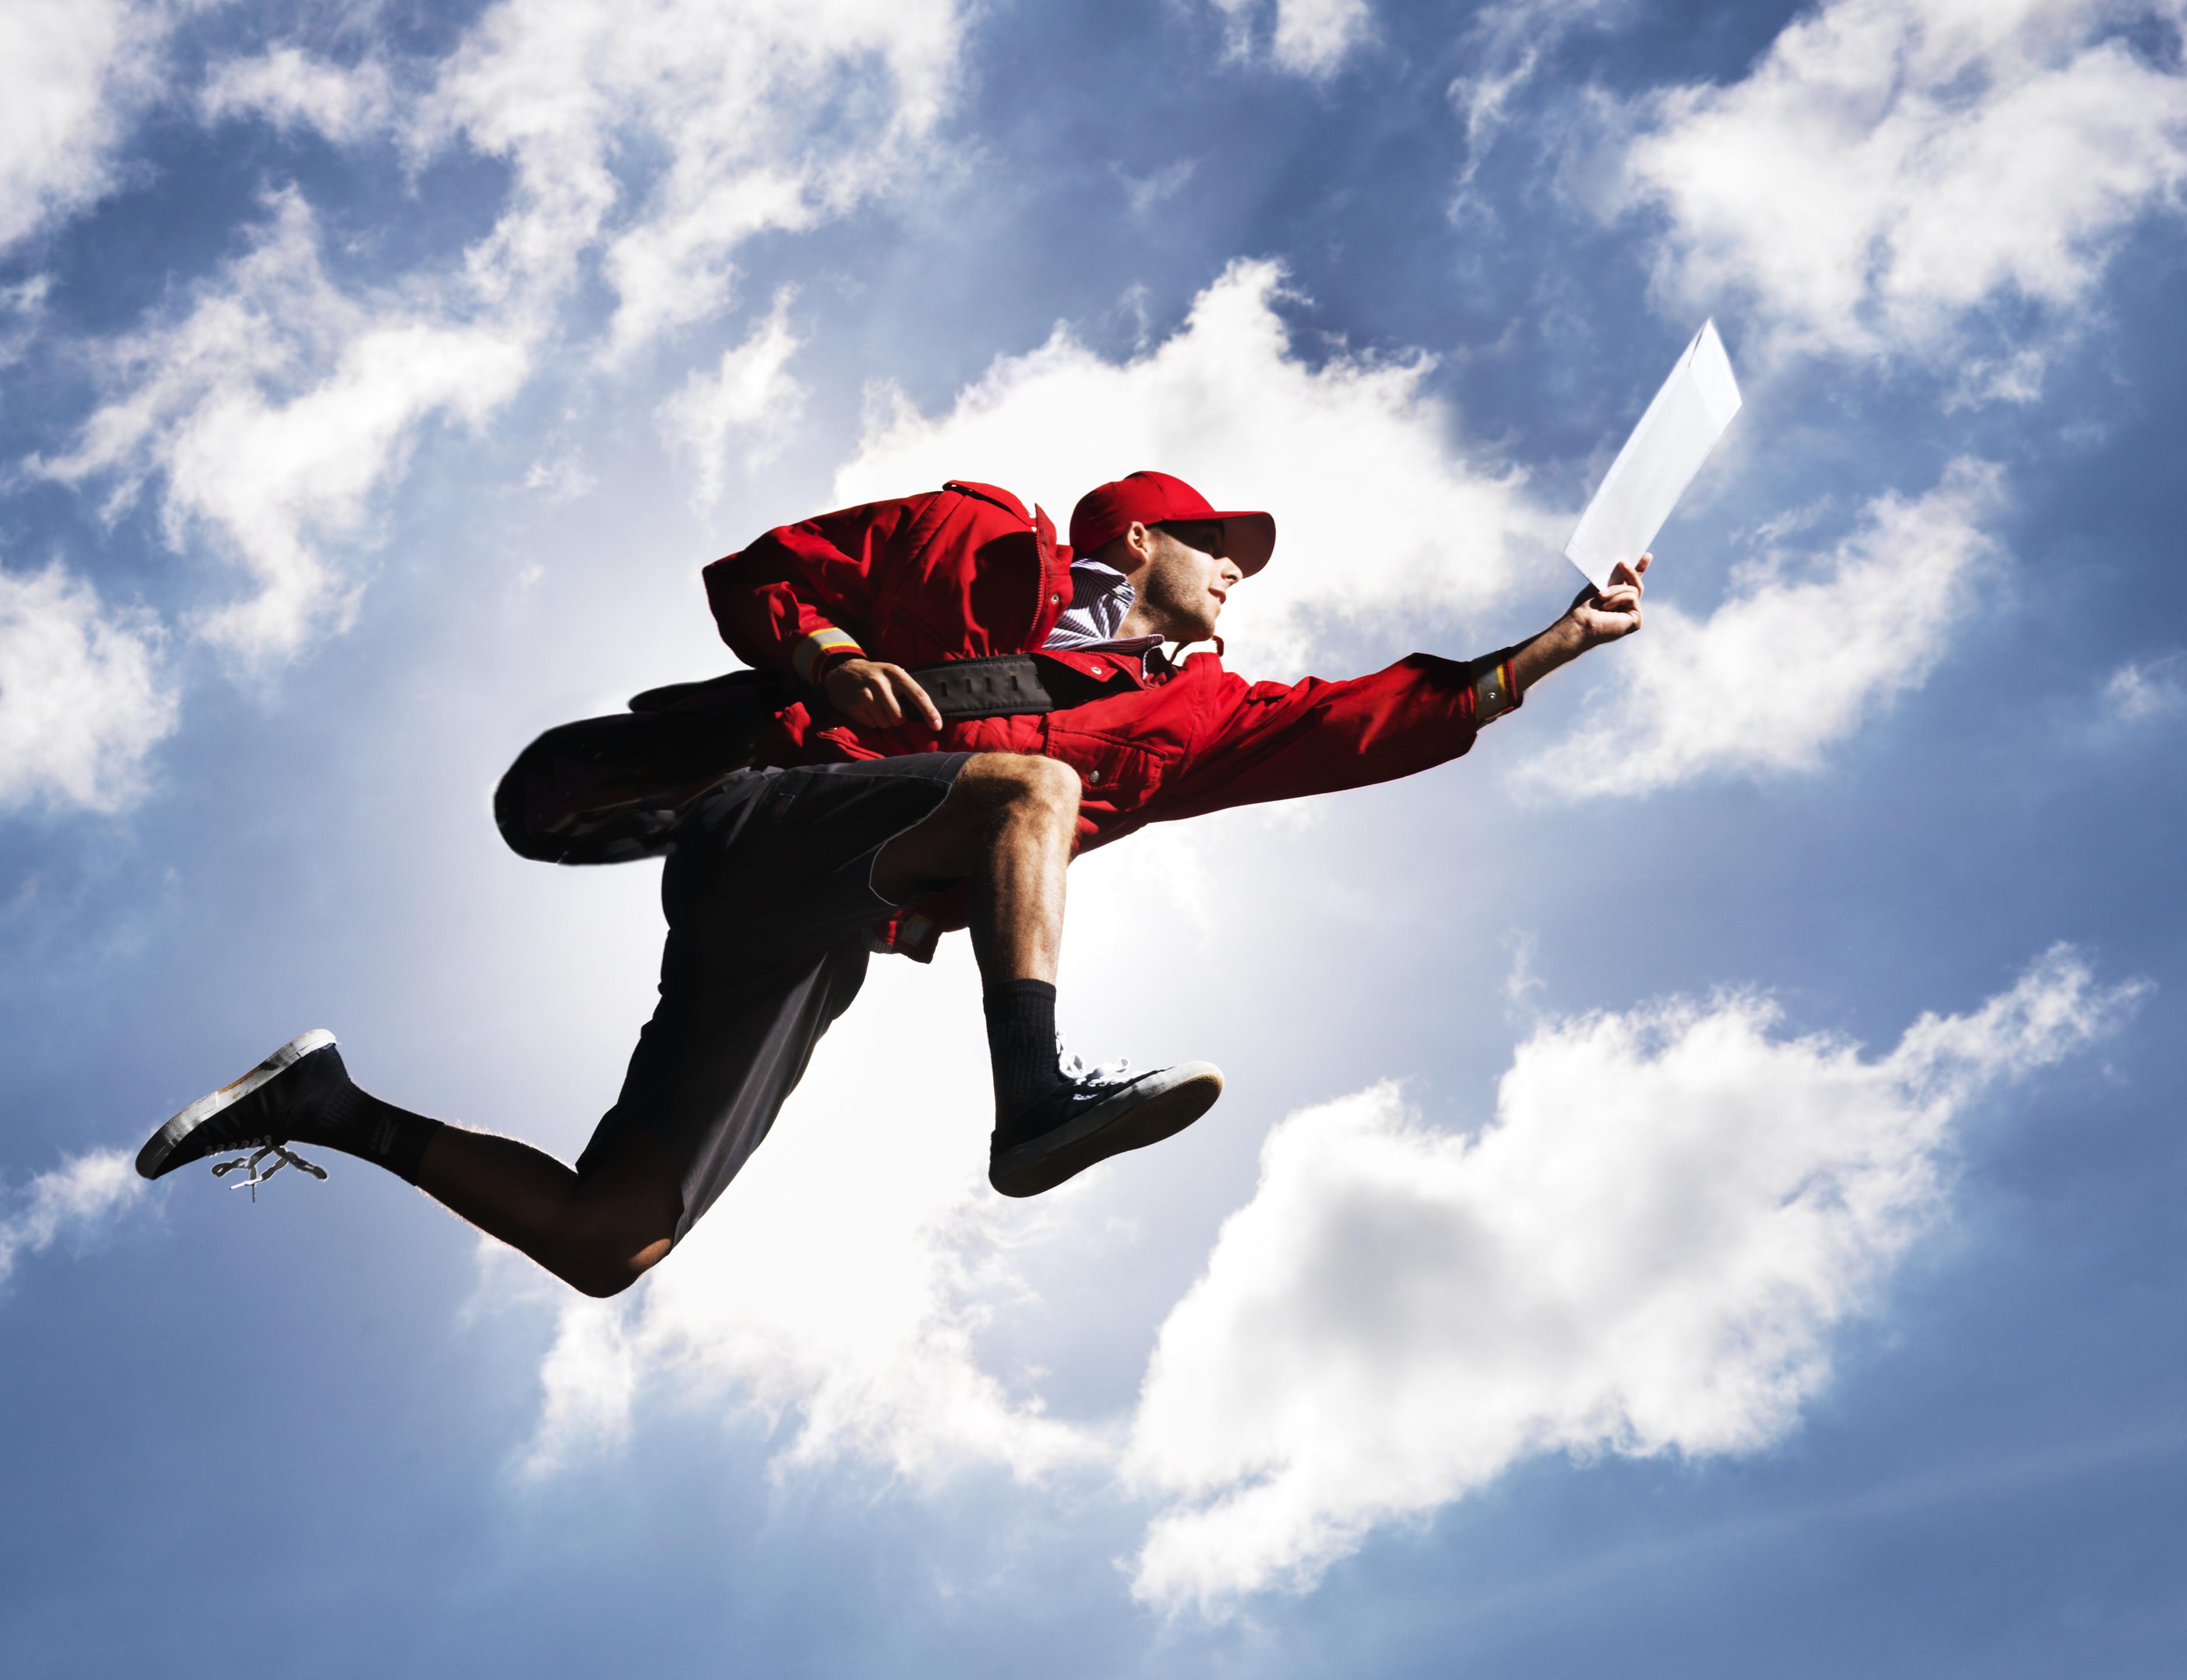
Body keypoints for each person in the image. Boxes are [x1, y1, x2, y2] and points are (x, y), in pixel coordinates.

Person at [134, 471, 1648, 1297]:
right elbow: (762, 571)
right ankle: (1034, 1102)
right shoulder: (981, 544)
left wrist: (1553, 647)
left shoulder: (1198, 713)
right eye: (1219, 548)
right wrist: (832, 656)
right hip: (761, 818)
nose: (1239, 575)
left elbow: (1367, 720)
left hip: (836, 922)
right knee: (1033, 788)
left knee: (614, 1239)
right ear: (1139, 536)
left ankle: (325, 1104)